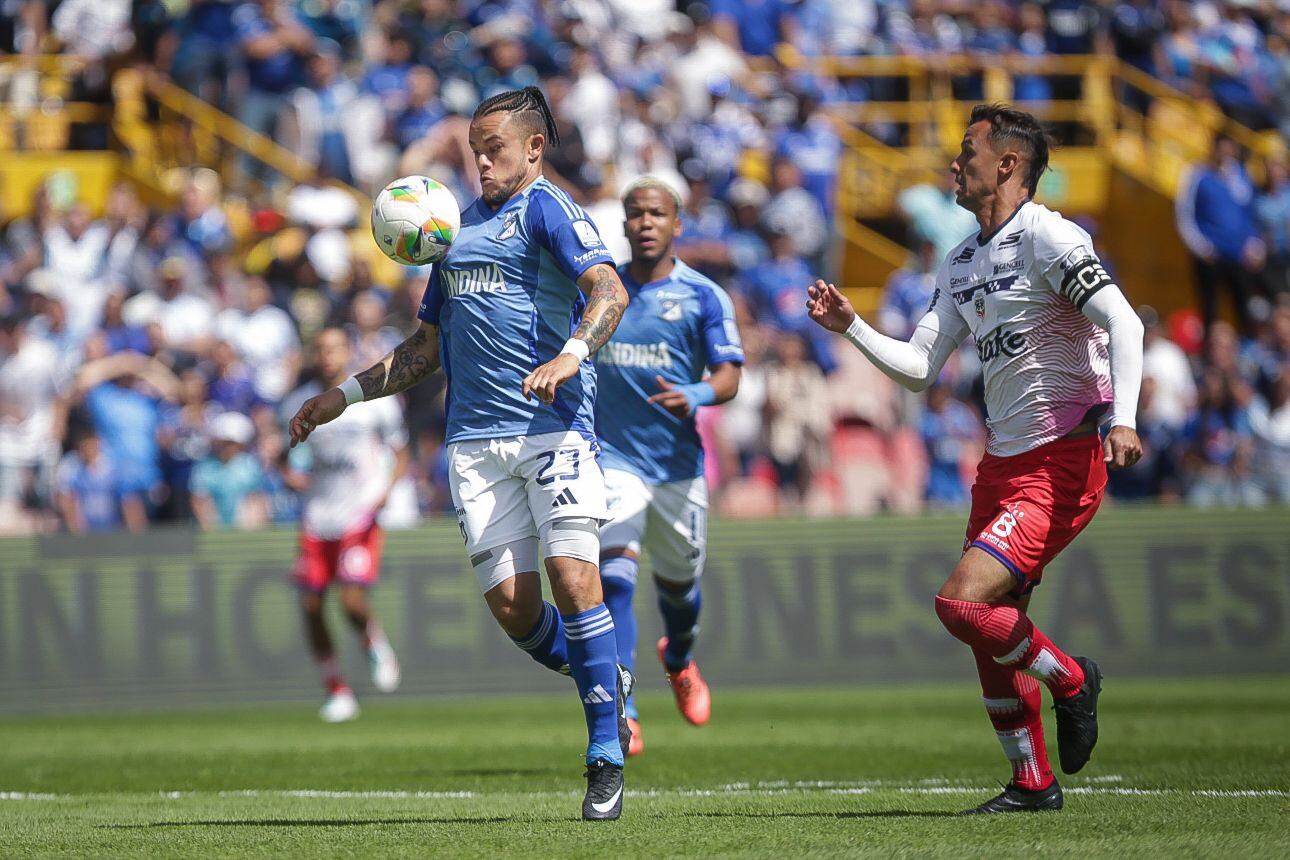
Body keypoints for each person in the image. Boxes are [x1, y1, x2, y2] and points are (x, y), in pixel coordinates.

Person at [287, 87, 636, 820]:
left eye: (493, 149)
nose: (480, 162)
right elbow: (426, 348)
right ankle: (604, 677)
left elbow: (609, 290)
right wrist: (341, 396)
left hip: (553, 429)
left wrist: (572, 354)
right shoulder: (451, 231)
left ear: (534, 148)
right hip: (474, 445)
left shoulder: (549, 210)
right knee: (515, 610)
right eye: (475, 150)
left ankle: (604, 752)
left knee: (574, 578)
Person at [807, 104, 1145, 814]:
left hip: (1060, 459)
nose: (954, 164)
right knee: (987, 628)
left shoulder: (1048, 237)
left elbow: (1124, 320)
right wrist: (852, 325)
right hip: (1001, 466)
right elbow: (919, 366)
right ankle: (1032, 783)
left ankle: (1071, 681)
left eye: (968, 151)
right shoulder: (962, 260)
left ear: (1007, 164)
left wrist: (1125, 418)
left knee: (961, 603)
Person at [594, 177, 743, 757]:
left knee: (680, 592)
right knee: (614, 577)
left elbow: (728, 375)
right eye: (636, 214)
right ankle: (624, 708)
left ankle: (678, 659)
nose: (646, 223)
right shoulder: (602, 292)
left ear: (677, 224)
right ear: (625, 224)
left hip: (678, 467)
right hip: (613, 458)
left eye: (657, 214)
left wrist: (697, 395)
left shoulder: (704, 296)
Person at [279, 328, 407, 723]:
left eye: (334, 348)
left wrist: (386, 490)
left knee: (350, 599)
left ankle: (372, 640)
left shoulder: (374, 399)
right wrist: (288, 474)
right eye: (321, 349)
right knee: (310, 604)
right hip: (318, 514)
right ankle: (336, 689)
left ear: (347, 351)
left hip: (359, 511)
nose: (327, 355)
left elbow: (401, 452)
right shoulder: (296, 402)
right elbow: (284, 454)